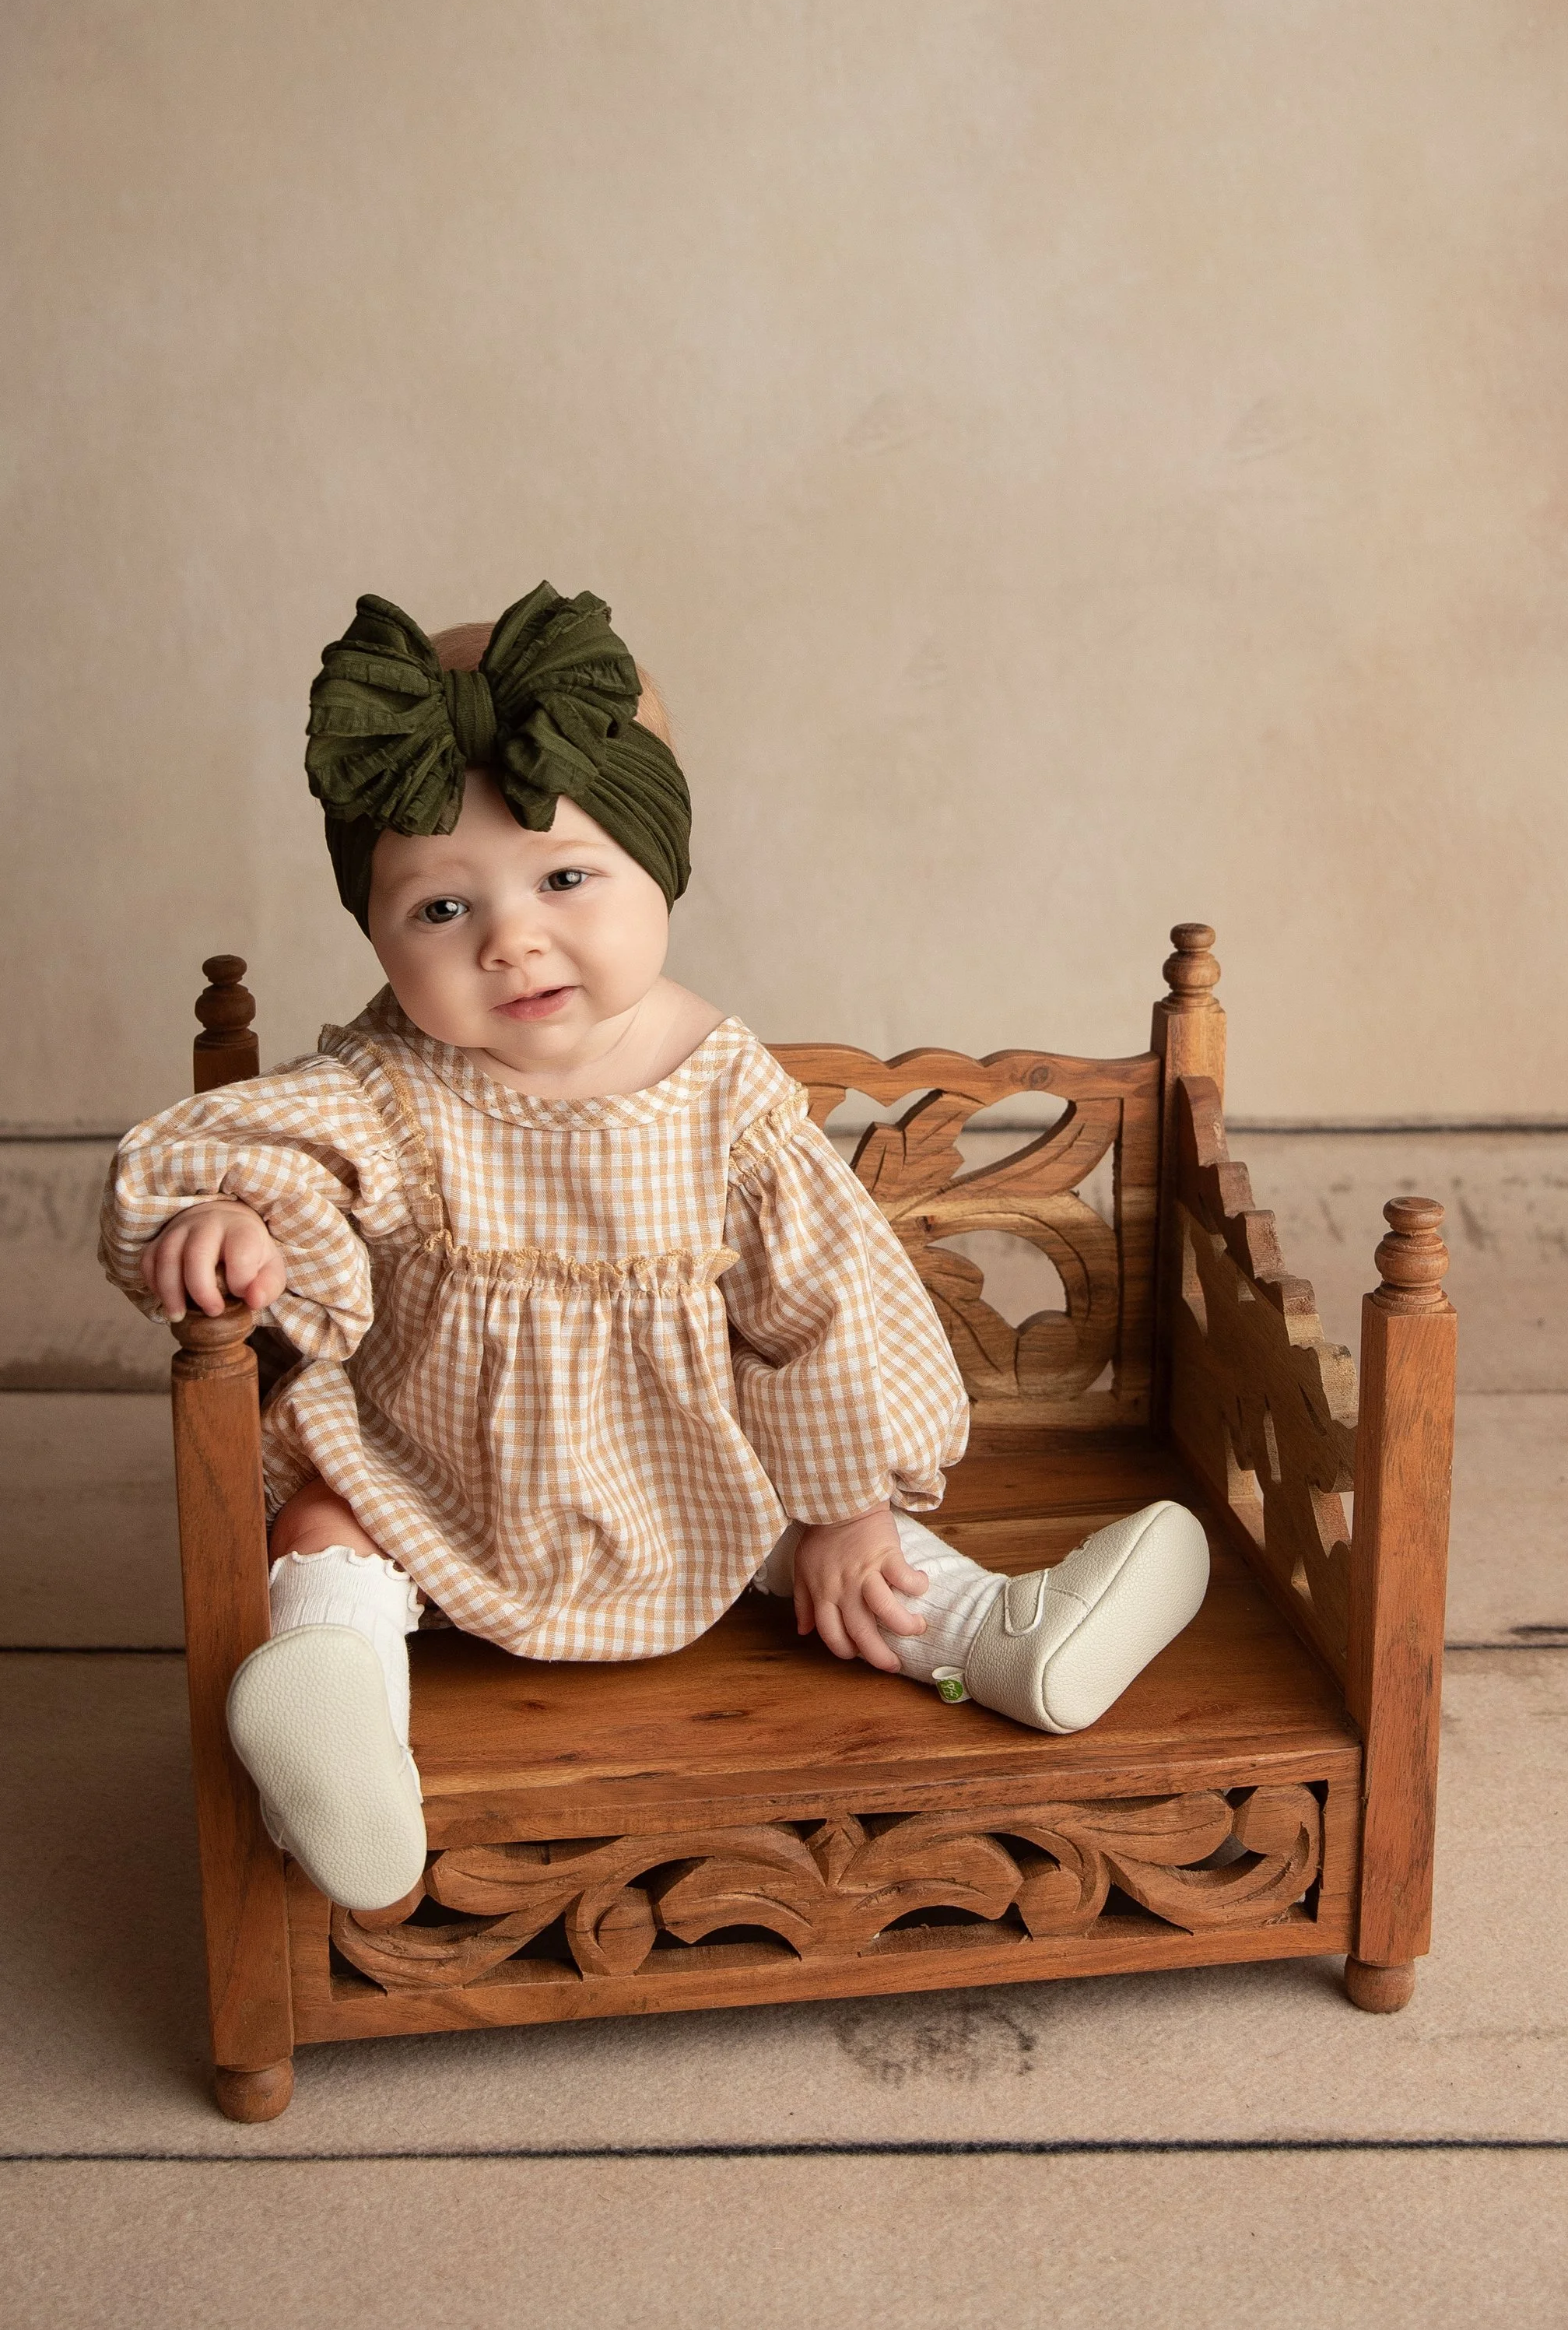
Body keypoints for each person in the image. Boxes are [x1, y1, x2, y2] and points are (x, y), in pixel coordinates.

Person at [101, 583, 1208, 1914]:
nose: (512, 941)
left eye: (565, 878)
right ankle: (337, 1734)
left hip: (684, 1480)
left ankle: (998, 1639)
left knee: (832, 1561)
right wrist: (234, 1214)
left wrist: (853, 1504)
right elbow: (276, 1149)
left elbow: (822, 1305)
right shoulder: (397, 1085)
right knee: (325, 1523)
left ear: (657, 864)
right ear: (378, 931)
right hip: (434, 1480)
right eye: (440, 912)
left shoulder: (723, 1101)